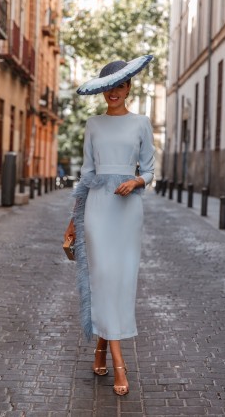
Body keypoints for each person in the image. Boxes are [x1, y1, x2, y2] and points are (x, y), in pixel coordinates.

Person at [64, 55, 155, 396]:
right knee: (102, 278)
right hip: (99, 212)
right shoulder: (93, 125)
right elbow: (86, 175)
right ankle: (119, 360)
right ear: (102, 92)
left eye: (120, 85)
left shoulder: (141, 123)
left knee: (120, 281)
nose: (114, 92)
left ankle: (102, 346)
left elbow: (148, 170)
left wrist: (136, 182)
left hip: (128, 211)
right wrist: (74, 218)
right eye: (108, 87)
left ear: (129, 87)